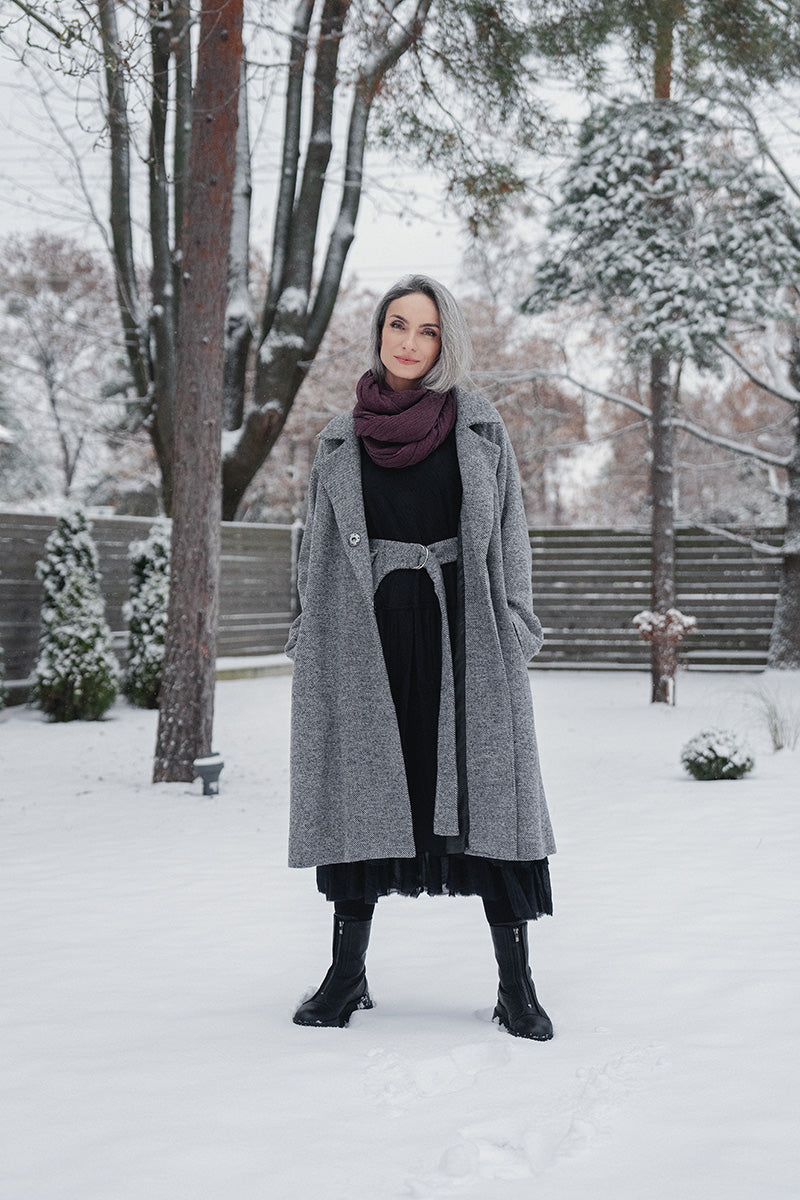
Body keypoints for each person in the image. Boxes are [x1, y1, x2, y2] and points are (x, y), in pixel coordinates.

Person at [285, 275, 556, 1040]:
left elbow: (511, 537)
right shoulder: (340, 438)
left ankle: (517, 986)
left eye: (426, 330)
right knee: (360, 803)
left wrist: (516, 626)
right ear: (379, 334)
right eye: (396, 325)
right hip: (365, 641)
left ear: (447, 342)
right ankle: (346, 975)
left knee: (491, 806)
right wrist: (309, 631)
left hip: (465, 636)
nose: (407, 341)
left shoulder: (480, 427)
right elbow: (314, 555)